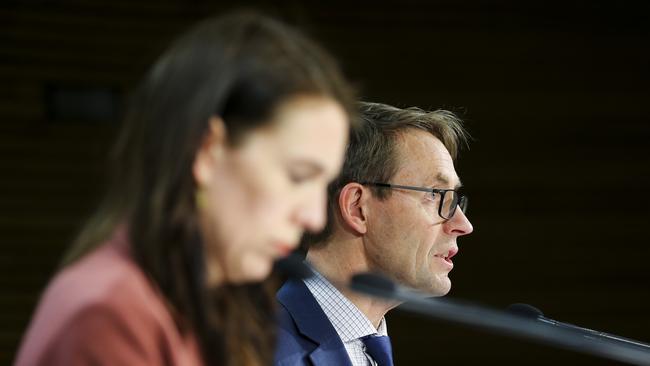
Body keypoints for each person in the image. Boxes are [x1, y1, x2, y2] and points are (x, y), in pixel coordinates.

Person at [15, 12, 356, 366]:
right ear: (207, 151)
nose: (315, 218)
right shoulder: (111, 314)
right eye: (298, 176)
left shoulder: (214, 304)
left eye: (322, 183)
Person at [274, 101, 474, 366]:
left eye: (455, 200)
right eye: (436, 195)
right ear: (357, 207)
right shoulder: (258, 349)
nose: (463, 224)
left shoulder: (369, 349)